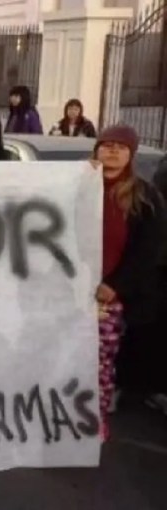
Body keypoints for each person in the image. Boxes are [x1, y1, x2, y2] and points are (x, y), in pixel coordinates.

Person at [93, 125, 166, 434]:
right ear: (96, 149)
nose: (112, 151)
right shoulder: (77, 185)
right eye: (106, 144)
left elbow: (149, 250)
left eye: (121, 147)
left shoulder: (144, 196)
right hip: (70, 292)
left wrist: (116, 285)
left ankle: (91, 424)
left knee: (100, 365)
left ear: (130, 154)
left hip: (110, 298)